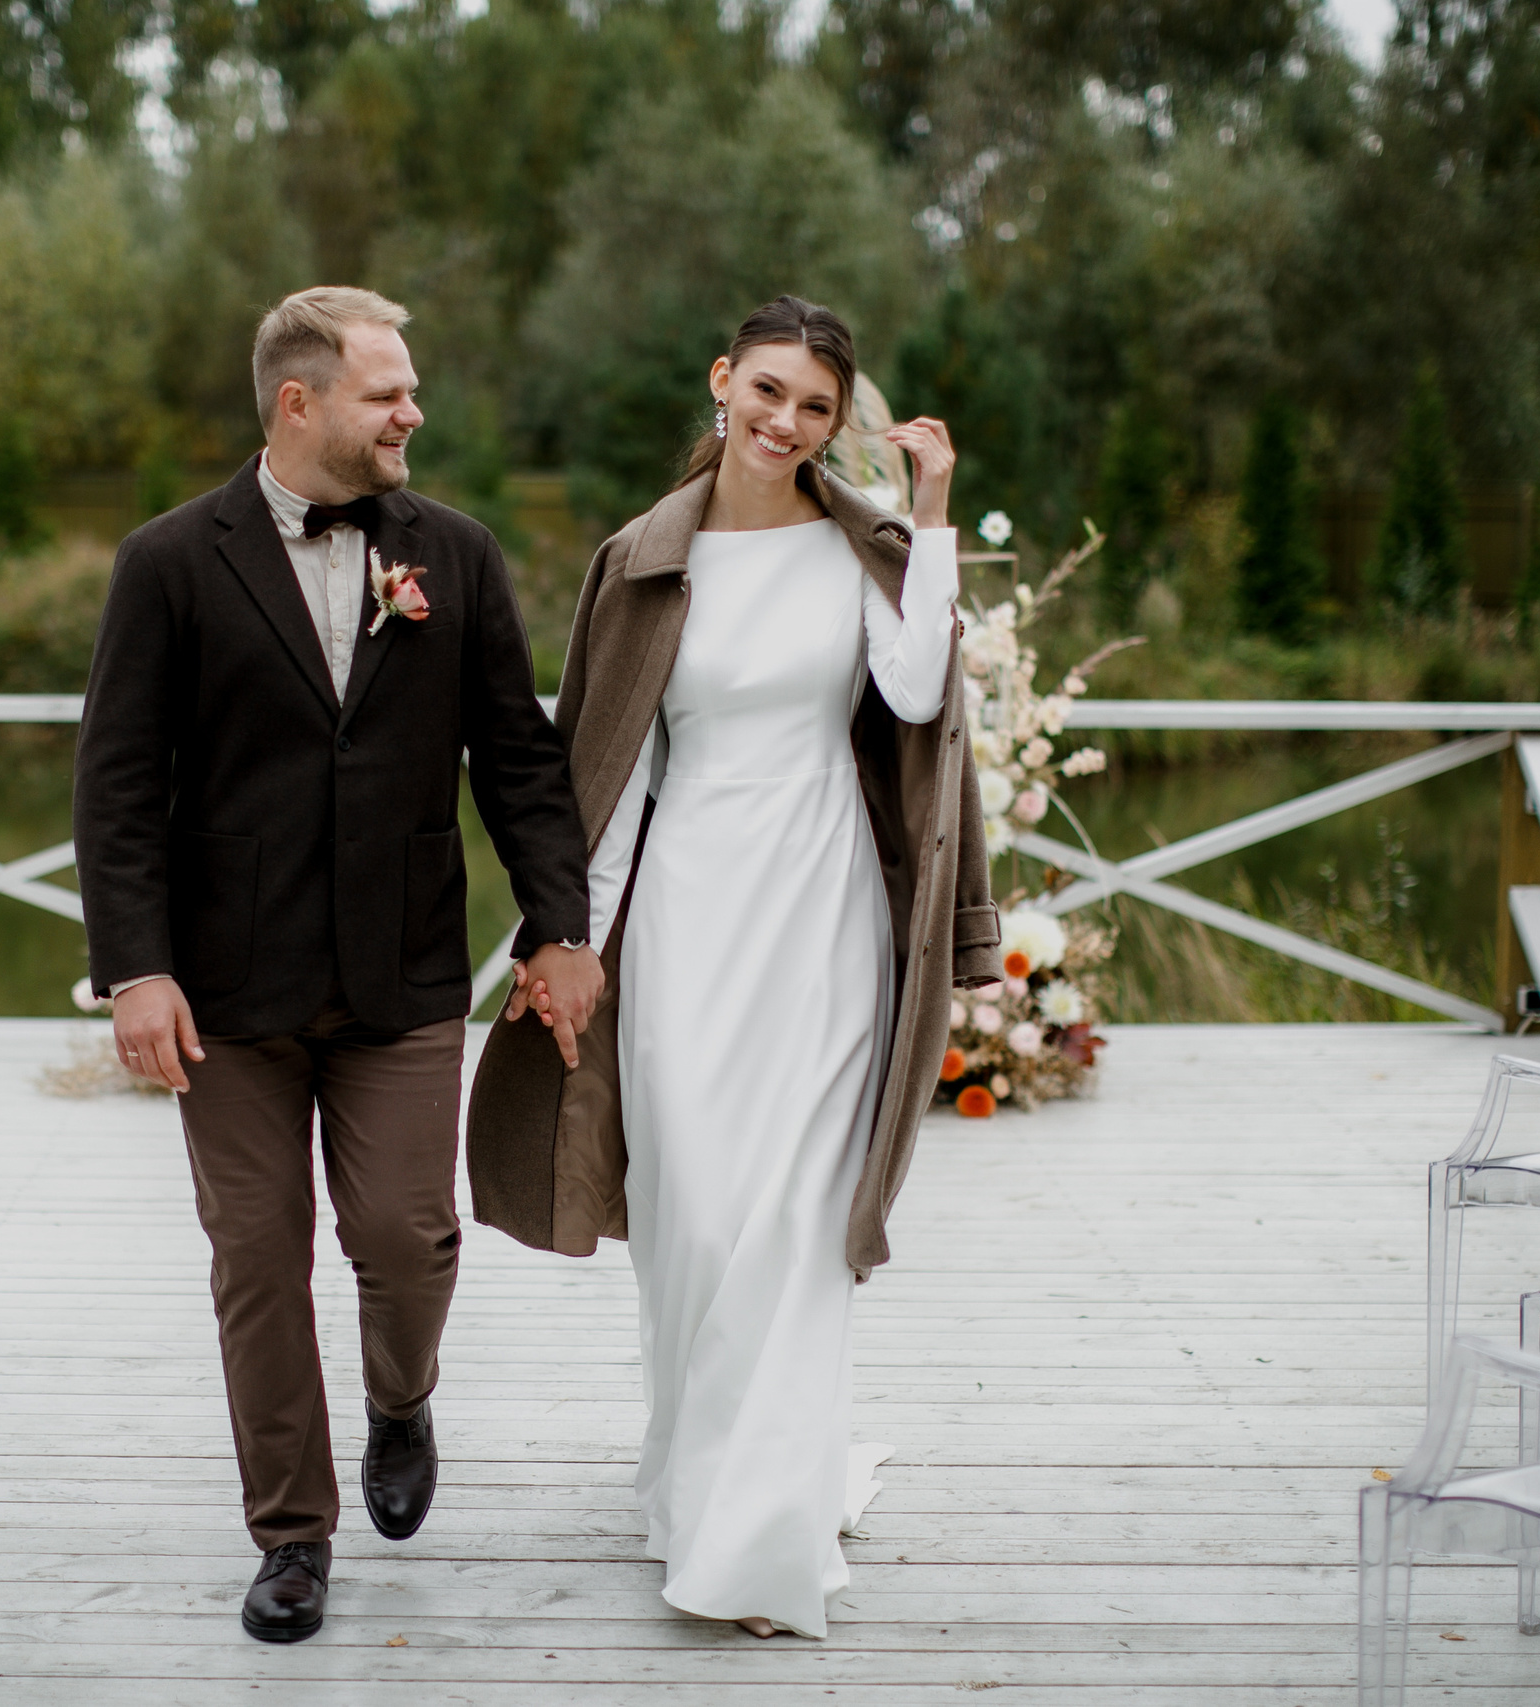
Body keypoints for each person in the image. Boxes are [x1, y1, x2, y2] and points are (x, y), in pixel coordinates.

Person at [467, 295, 1001, 1639]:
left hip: (826, 916)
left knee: (796, 1227)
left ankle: (761, 1543)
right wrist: (568, 944)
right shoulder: (644, 557)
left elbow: (922, 700)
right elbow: (609, 766)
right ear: (721, 382)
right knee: (698, 1222)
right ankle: (704, 1478)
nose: (784, 422)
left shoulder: (866, 546)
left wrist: (930, 506)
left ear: (841, 422)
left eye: (816, 406)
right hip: (688, 913)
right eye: (766, 392)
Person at [73, 286, 602, 1643]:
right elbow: (120, 783)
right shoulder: (170, 563)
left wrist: (558, 928)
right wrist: (135, 967)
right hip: (226, 992)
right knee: (257, 1256)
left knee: (405, 1241)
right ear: (298, 403)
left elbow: (520, 761)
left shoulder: (458, 556)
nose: (413, 412)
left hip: (405, 974)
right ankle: (292, 1535)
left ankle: (401, 1398)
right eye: (388, 394)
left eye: (411, 389)